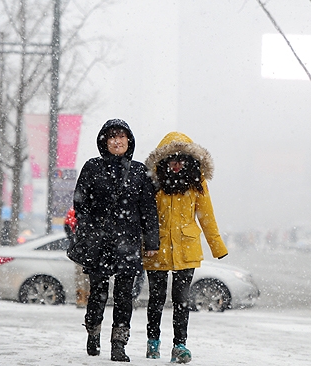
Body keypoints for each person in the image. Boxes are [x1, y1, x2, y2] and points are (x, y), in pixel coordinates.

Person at [73, 119, 160, 362]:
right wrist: (89, 231)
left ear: (129, 141)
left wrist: (152, 242)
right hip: (98, 243)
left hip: (128, 243)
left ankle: (119, 344)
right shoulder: (92, 167)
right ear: (104, 141)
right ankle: (93, 331)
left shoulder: (139, 171)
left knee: (124, 296)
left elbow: (148, 210)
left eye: (121, 136)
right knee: (97, 292)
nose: (117, 141)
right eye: (112, 137)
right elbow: (81, 204)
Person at [143, 132, 228, 363]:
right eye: (172, 160)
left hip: (187, 249)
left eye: (182, 160)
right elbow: (145, 216)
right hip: (156, 249)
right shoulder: (153, 183)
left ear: (191, 161)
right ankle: (153, 342)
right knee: (156, 299)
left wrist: (217, 247)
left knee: (181, 299)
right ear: (163, 161)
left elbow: (206, 216)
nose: (177, 165)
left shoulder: (197, 184)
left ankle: (180, 346)